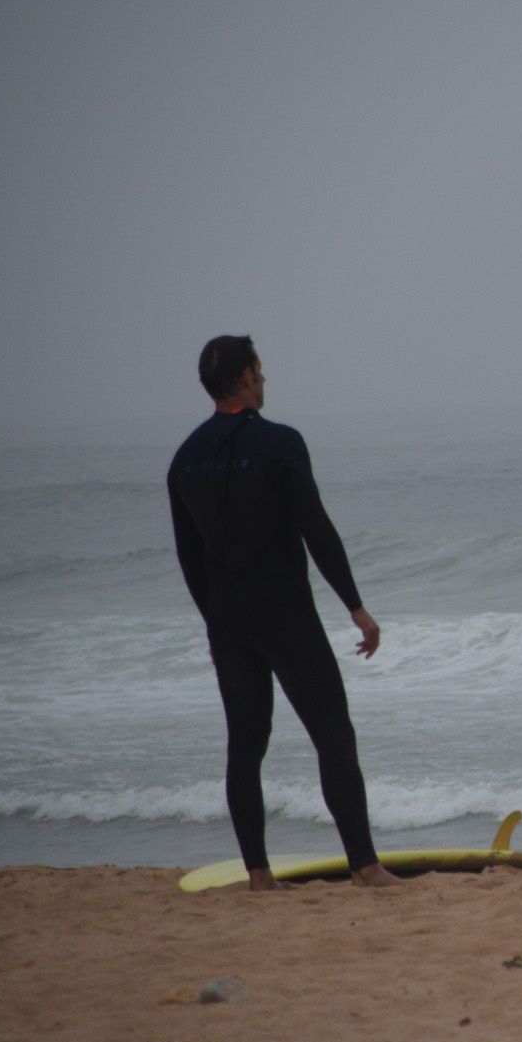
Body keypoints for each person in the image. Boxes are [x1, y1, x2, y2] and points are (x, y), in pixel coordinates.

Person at [168, 335, 400, 890]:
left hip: (229, 621)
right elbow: (314, 528)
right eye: (261, 371)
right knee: (333, 735)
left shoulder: (184, 460)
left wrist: (213, 623)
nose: (265, 380)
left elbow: (189, 557)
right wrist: (356, 606)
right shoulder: (279, 444)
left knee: (246, 746)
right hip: (285, 616)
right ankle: (365, 866)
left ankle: (259, 876)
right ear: (246, 377)